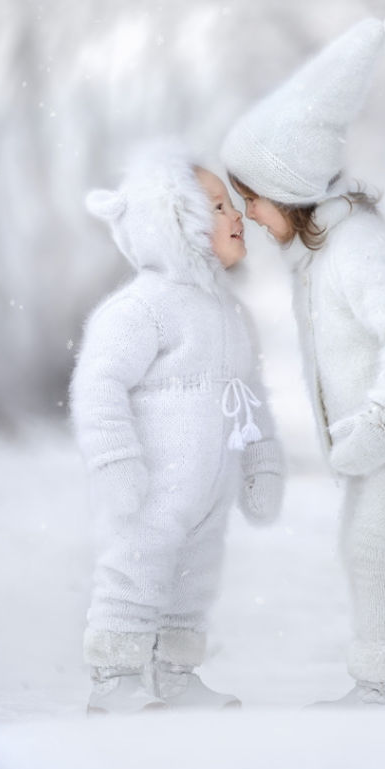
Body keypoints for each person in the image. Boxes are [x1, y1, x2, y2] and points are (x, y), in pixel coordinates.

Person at [220, 7, 385, 708]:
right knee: (363, 548)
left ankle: (384, 688)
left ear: (287, 192)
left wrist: (379, 426)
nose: (246, 214)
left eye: (250, 199)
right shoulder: (325, 250)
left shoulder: (357, 251)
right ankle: (381, 681)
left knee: (373, 548)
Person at [70, 140, 284, 714]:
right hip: (153, 485)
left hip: (209, 491)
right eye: (217, 207)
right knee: (136, 569)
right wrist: (115, 461)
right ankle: (116, 678)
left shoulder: (230, 313)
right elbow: (99, 384)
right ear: (177, 224)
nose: (236, 214)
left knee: (193, 580)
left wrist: (261, 461)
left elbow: (249, 394)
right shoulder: (140, 308)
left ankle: (173, 674)